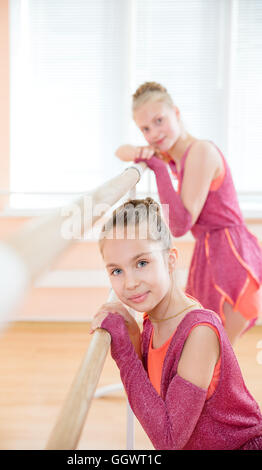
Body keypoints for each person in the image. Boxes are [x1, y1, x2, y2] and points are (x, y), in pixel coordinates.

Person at [90, 197, 262, 450]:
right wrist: (135, 338)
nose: (129, 283)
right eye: (117, 271)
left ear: (170, 259)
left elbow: (168, 440)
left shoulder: (199, 333)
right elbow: (154, 401)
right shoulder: (153, 319)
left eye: (142, 263)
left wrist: (126, 352)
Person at [115, 82, 262, 345]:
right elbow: (120, 151)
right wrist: (140, 153)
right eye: (145, 129)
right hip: (210, 253)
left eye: (160, 120)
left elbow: (180, 224)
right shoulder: (177, 155)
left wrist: (158, 167)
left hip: (229, 254)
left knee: (214, 351)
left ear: (177, 113)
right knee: (206, 349)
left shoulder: (200, 152)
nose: (154, 133)